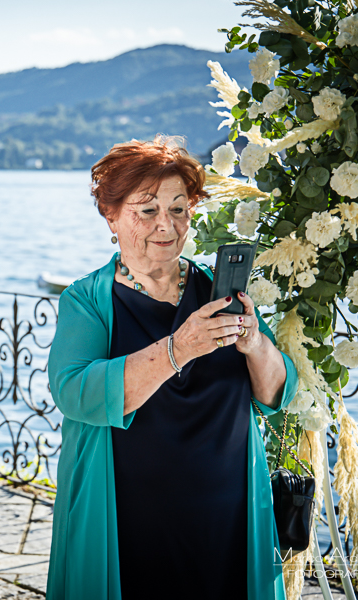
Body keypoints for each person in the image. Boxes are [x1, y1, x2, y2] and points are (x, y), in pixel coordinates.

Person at [46, 136, 298, 600]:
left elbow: (275, 395)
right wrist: (177, 350)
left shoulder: (218, 292)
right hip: (128, 524)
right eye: (147, 210)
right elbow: (74, 391)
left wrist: (254, 343)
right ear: (112, 216)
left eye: (179, 209)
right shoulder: (86, 300)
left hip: (228, 516)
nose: (166, 225)